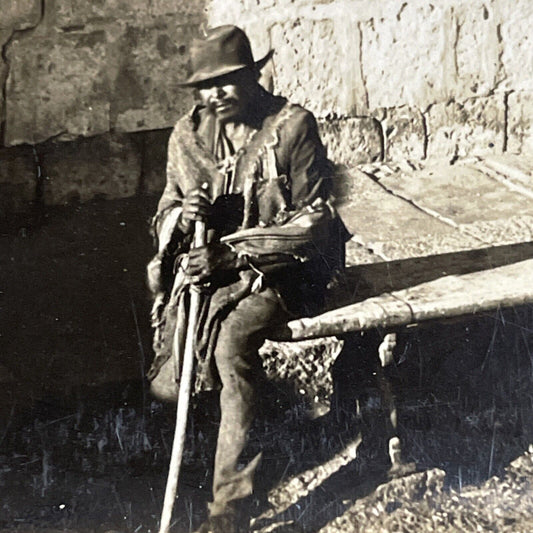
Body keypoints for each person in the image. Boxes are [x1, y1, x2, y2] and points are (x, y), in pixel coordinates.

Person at [146, 25, 348, 533]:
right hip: (212, 269)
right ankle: (220, 450)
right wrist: (182, 215)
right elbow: (164, 212)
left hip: (286, 272)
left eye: (227, 82)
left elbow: (314, 221)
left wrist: (234, 257)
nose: (214, 95)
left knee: (231, 344)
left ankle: (229, 509)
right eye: (204, 87)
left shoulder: (293, 127)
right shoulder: (188, 136)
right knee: (181, 350)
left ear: (254, 76)